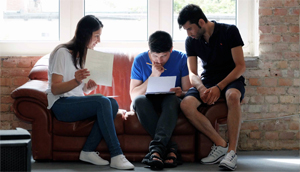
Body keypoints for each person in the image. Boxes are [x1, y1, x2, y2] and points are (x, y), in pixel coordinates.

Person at [46, 15, 134, 170]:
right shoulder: (62, 52)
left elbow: (79, 90)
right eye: (97, 36)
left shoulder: (85, 55)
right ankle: (117, 154)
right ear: (86, 34)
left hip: (74, 102)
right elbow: (55, 88)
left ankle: (87, 151)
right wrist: (76, 81)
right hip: (61, 105)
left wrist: (88, 87)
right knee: (102, 101)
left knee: (112, 103)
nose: (98, 40)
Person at [177, 4, 246, 171]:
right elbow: (193, 73)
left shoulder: (230, 31)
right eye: (186, 30)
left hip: (231, 78)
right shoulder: (191, 41)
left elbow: (240, 66)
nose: (189, 33)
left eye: (190, 29)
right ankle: (221, 144)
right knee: (186, 104)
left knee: (233, 96)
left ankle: (231, 152)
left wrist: (219, 87)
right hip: (207, 80)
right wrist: (201, 88)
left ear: (201, 22)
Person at [129, 31, 191, 169]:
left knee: (171, 99)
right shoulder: (140, 60)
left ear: (171, 50)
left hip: (170, 103)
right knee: (139, 101)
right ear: (149, 51)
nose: (159, 60)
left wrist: (181, 93)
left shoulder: (181, 58)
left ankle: (156, 151)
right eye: (155, 56)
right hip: (147, 103)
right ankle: (170, 149)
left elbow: (188, 91)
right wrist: (153, 76)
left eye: (164, 56)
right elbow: (133, 95)